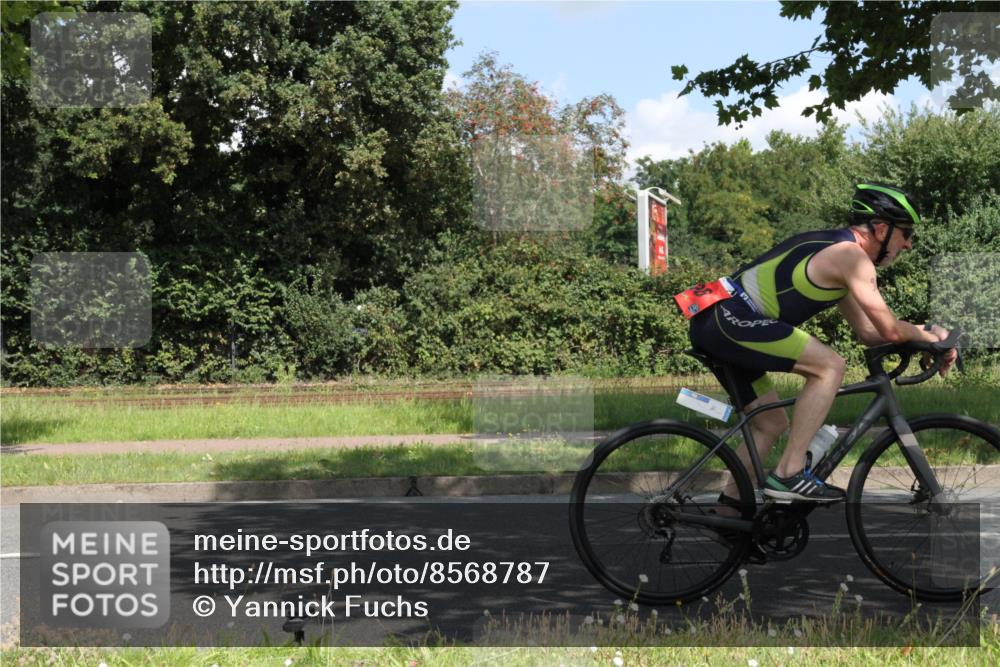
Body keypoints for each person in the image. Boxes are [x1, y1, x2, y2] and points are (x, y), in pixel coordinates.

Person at [685, 183, 957, 504]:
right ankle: (788, 473)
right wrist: (933, 337)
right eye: (906, 233)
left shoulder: (839, 253)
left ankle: (731, 517)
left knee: (769, 425)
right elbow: (891, 330)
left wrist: (925, 335)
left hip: (717, 316)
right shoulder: (850, 258)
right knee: (829, 366)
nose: (909, 244)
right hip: (726, 316)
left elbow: (871, 334)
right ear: (882, 229)